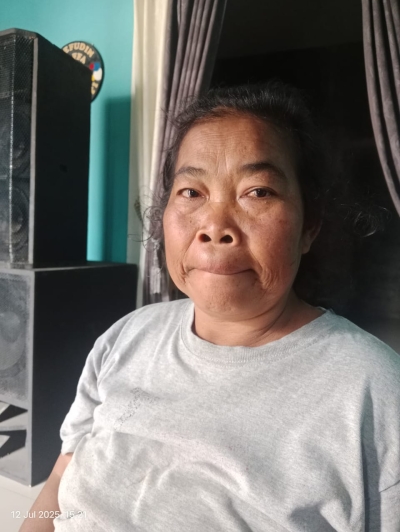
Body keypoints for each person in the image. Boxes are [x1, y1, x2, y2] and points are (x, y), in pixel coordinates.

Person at [20, 82, 400, 532]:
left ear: (309, 226)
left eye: (258, 191)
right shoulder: (127, 336)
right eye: (191, 192)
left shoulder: (374, 390)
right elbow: (61, 476)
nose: (215, 227)